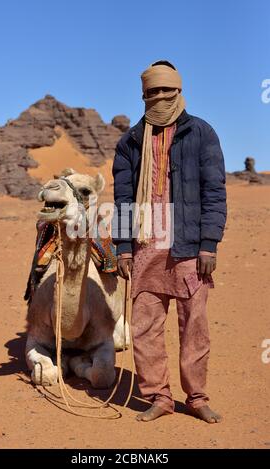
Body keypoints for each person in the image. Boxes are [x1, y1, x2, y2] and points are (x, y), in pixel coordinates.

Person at [112, 60, 227, 423]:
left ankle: (196, 397)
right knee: (145, 326)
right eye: (153, 92)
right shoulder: (130, 141)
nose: (160, 97)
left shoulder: (201, 133)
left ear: (179, 90)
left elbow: (214, 192)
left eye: (167, 90)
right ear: (143, 95)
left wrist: (209, 243)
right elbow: (123, 198)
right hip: (147, 246)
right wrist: (124, 246)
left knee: (194, 324)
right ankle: (158, 396)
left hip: (190, 246)